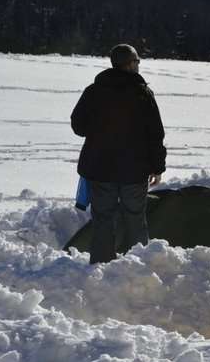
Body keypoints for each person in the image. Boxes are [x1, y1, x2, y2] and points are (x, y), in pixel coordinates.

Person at [71, 44, 166, 264]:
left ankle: (101, 266)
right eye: (137, 61)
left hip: (100, 168)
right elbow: (156, 133)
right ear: (130, 64)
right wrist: (157, 166)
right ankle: (138, 266)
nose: (139, 65)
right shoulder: (142, 93)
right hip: (135, 170)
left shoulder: (94, 91)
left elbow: (78, 126)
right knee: (135, 219)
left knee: (103, 219)